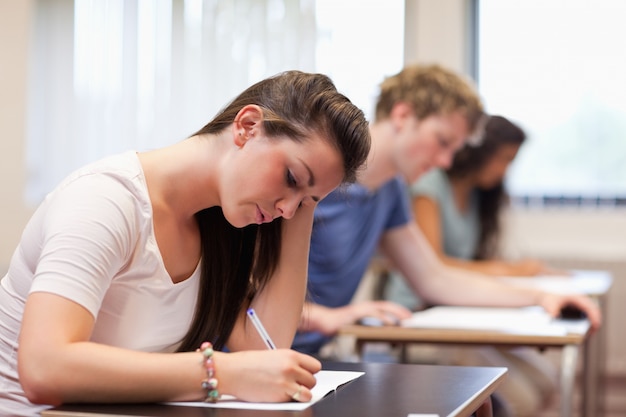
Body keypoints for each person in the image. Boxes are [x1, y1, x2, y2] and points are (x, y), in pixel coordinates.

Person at [0, 70, 371, 416]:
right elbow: (43, 369)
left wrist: (305, 200)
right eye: (290, 177)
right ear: (247, 126)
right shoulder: (105, 201)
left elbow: (264, 351)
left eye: (308, 200)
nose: (288, 210)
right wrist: (218, 372)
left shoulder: (220, 225)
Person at [291, 64, 601, 359]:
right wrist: (325, 317)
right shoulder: (315, 177)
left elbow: (435, 278)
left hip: (315, 356)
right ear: (403, 115)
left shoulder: (391, 190)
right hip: (273, 352)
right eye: (442, 142)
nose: (446, 162)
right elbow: (249, 297)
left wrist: (540, 298)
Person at [383, 115, 561, 416]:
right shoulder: (429, 185)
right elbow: (436, 264)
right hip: (421, 313)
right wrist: (508, 272)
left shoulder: (479, 195)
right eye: (503, 159)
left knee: (547, 381)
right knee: (523, 399)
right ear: (480, 150)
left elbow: (468, 264)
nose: (505, 170)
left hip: (460, 311)